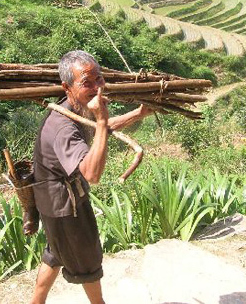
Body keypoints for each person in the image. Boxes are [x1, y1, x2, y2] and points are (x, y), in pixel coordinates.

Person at [30, 50, 153, 304]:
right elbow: (92, 173)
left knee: (55, 253)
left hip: (54, 202)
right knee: (87, 260)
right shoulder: (63, 127)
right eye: (87, 82)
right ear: (67, 87)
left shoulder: (71, 108)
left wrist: (137, 114)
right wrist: (100, 117)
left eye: (99, 79)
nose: (97, 87)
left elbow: (101, 130)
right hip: (64, 206)